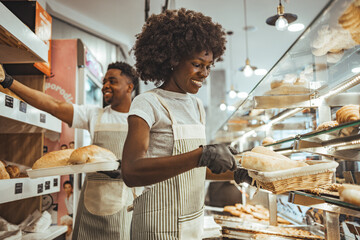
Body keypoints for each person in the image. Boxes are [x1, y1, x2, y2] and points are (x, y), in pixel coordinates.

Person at [122, 8, 251, 239]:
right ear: (173, 59)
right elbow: (131, 171)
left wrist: (236, 173)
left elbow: (194, 171)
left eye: (209, 66)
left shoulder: (197, 107)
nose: (204, 73)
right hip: (157, 227)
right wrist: (202, 154)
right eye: (197, 64)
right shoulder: (148, 103)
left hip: (193, 223)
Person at [0, 61, 139, 240]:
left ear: (129, 87)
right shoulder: (95, 114)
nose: (105, 86)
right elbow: (54, 105)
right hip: (90, 203)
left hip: (123, 203)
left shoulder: (138, 121)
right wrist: (8, 81)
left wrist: (127, 170)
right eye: (104, 81)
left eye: (112, 81)